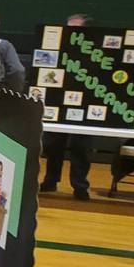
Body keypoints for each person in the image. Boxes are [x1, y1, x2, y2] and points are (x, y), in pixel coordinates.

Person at [42, 13, 95, 200]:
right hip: (58, 102)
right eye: (67, 27)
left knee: (82, 148)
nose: (69, 32)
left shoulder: (96, 54)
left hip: (85, 106)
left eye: (75, 28)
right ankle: (50, 181)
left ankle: (80, 186)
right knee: (53, 144)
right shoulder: (58, 47)